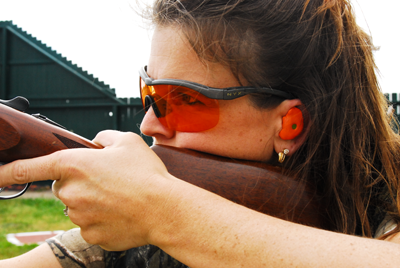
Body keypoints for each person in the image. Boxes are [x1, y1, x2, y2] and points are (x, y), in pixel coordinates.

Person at [1, 0, 400, 267]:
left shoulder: (164, 212)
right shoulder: (148, 224)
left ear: (289, 125)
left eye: (184, 100)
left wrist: (162, 213)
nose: (147, 124)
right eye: (149, 92)